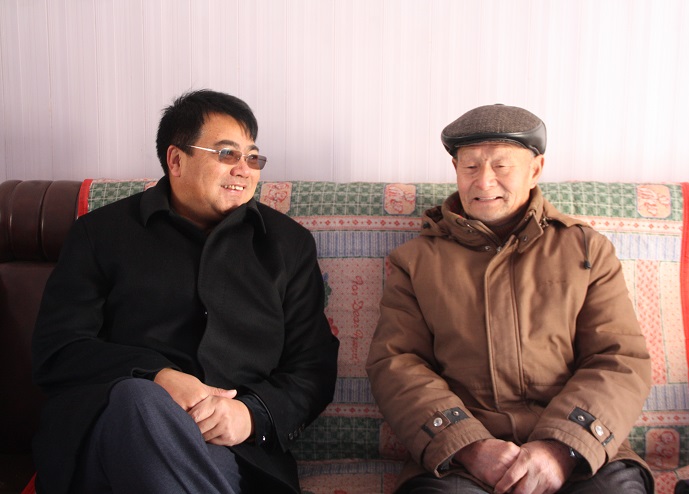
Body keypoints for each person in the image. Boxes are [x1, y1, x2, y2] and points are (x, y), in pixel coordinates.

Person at [31, 89, 339, 494]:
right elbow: (58, 350)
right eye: (226, 154)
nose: (244, 170)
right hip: (115, 432)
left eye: (252, 158)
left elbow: (313, 366)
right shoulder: (99, 235)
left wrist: (251, 415)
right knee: (140, 402)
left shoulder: (288, 245)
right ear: (176, 160)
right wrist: (157, 377)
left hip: (233, 454)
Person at [366, 104, 653, 494]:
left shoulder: (586, 249)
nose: (484, 182)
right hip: (461, 460)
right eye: (470, 167)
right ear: (455, 169)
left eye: (501, 166)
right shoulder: (415, 261)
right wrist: (468, 445)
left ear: (535, 170)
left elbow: (619, 359)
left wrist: (561, 449)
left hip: (580, 454)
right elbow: (396, 363)